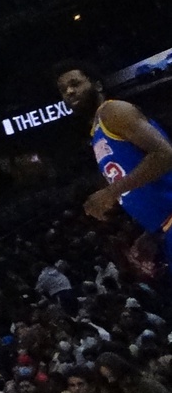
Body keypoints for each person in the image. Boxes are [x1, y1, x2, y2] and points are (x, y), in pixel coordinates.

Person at [54, 61, 172, 252]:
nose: (69, 92)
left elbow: (165, 154)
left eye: (75, 84)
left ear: (97, 85)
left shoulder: (112, 111)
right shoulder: (97, 133)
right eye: (63, 90)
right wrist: (152, 234)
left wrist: (110, 193)